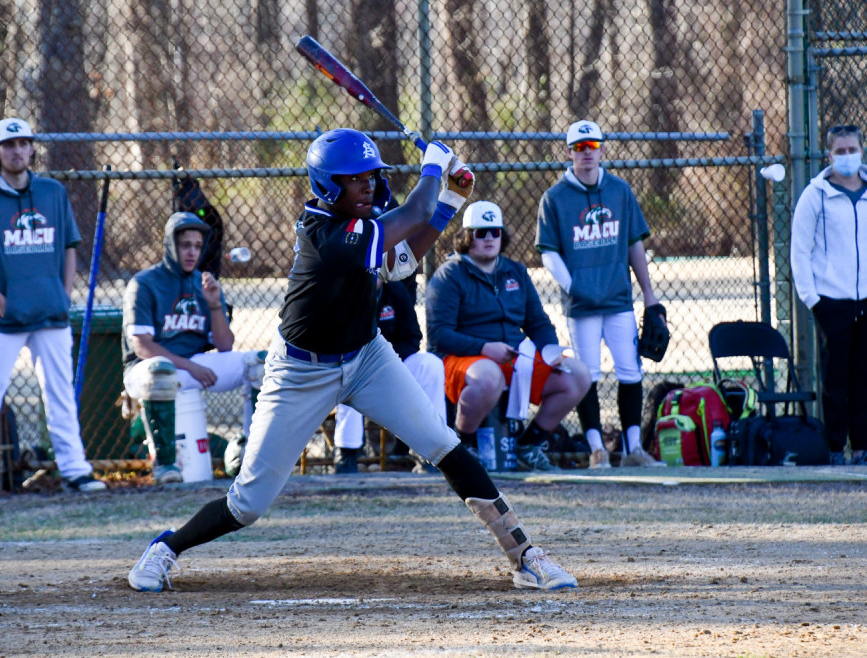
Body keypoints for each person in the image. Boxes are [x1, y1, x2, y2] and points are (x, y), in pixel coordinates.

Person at [128, 129, 577, 592]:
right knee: (248, 504)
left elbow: (400, 261)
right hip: (301, 371)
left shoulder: (364, 224)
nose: (367, 186)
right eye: (353, 179)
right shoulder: (324, 235)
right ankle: (166, 547)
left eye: (371, 176)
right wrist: (433, 167)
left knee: (444, 445)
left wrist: (447, 203)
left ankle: (525, 556)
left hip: (367, 356)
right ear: (327, 186)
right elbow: (414, 212)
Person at [0, 117, 105, 499]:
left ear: (33, 149)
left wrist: (63, 293)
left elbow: (69, 246)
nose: (17, 151)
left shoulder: (51, 192)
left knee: (61, 395)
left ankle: (75, 469)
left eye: (23, 144)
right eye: (9, 145)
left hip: (50, 315)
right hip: (2, 320)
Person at [536, 119, 666, 469]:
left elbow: (634, 245)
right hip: (581, 307)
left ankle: (634, 448)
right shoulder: (555, 198)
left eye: (592, 147)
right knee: (588, 374)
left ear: (603, 150)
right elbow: (548, 252)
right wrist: (574, 286)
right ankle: (597, 449)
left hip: (618, 300)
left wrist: (649, 295)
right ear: (569, 153)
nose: (586, 153)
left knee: (630, 371)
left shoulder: (620, 191)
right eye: (579, 148)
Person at [426, 200, 592, 472]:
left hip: (512, 355)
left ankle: (529, 445)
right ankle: (461, 447)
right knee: (490, 376)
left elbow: (537, 321)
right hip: (461, 358)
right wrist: (483, 347)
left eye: (495, 231)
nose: (489, 238)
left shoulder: (515, 271)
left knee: (578, 375)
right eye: (481, 233)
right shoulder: (450, 274)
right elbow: (439, 335)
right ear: (467, 237)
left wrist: (551, 351)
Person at [121, 211, 263, 484]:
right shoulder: (144, 283)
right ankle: (166, 465)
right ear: (170, 245)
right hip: (145, 371)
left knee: (259, 363)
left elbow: (224, 346)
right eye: (186, 245)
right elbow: (141, 346)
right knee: (161, 371)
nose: (192, 252)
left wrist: (213, 303)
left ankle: (251, 454)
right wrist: (190, 366)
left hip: (191, 366)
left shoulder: (203, 284)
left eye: (197, 246)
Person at [791, 124, 867, 466]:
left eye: (853, 150)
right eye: (840, 151)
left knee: (866, 379)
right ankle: (835, 449)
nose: (847, 156)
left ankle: (861, 449)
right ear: (829, 155)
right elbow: (800, 251)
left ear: (862, 152)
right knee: (836, 379)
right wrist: (813, 298)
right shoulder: (815, 195)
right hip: (831, 303)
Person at [331, 277, 445, 474]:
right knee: (347, 369)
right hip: (355, 367)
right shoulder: (341, 293)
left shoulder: (395, 291)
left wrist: (387, 363)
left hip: (393, 367)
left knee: (430, 364)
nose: (371, 273)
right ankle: (346, 452)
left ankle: (435, 449)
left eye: (376, 267)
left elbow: (412, 337)